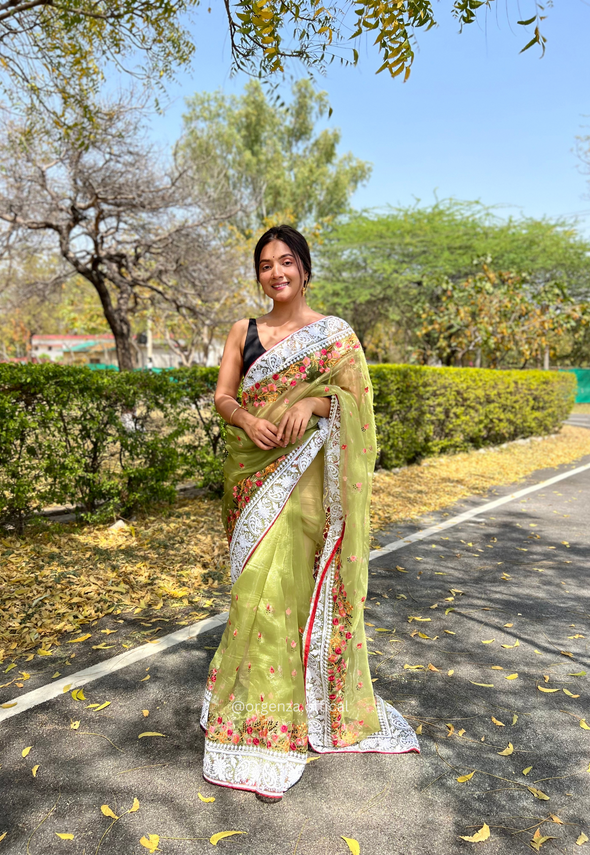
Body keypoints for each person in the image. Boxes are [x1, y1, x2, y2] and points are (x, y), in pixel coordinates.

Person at [200, 224, 419, 801]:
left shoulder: (334, 336)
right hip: (252, 478)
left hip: (307, 485)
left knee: (289, 591)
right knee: (253, 590)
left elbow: (360, 406)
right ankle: (253, 705)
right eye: (266, 264)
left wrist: (318, 402)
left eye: (287, 262)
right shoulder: (242, 331)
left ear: (305, 268)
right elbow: (223, 396)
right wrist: (248, 419)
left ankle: (276, 723)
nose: (277, 273)